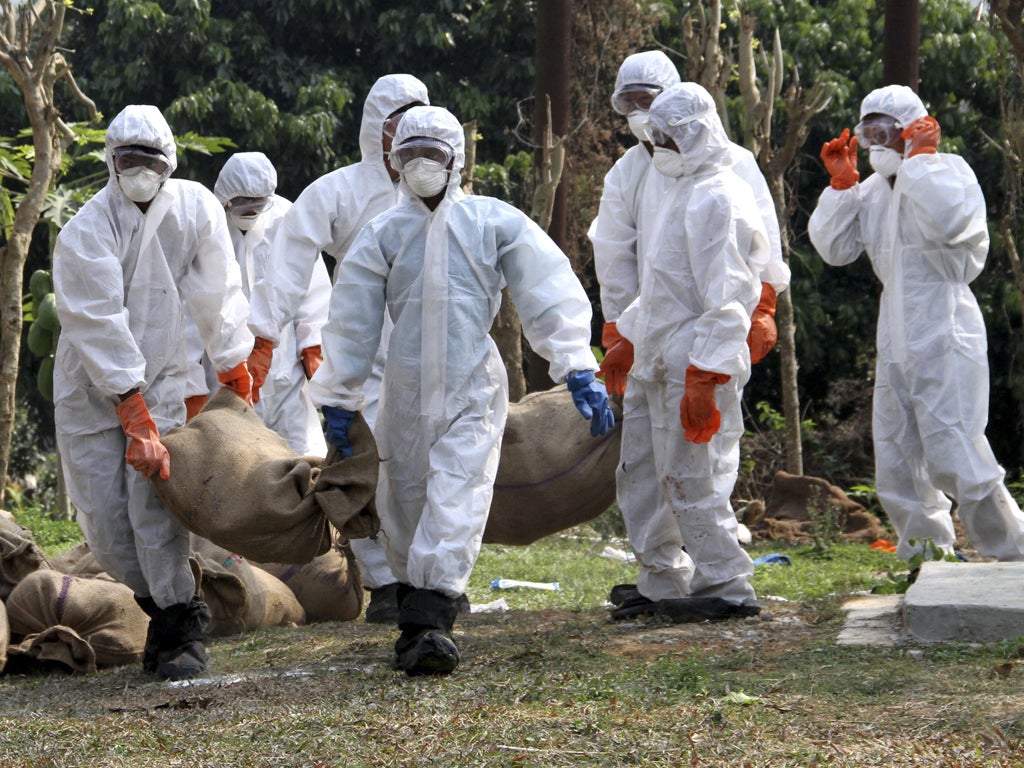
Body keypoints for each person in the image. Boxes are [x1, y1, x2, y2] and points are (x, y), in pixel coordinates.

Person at [308, 105, 614, 675]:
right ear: (393, 162)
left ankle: (431, 620)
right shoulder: (382, 234)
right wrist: (340, 399)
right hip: (401, 392)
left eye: (432, 154)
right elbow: (350, 322)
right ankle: (415, 611)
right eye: (409, 155)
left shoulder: (493, 222)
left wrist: (575, 361)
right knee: (406, 501)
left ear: (456, 161)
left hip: (473, 385)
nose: (420, 165)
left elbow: (547, 287)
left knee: (458, 492)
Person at [52, 104, 255, 680]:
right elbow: (97, 320)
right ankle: (162, 611)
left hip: (163, 377)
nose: (140, 170)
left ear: (170, 161)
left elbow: (217, 287)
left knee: (156, 513)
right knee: (109, 527)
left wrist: (232, 359)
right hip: (92, 387)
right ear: (112, 162)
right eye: (128, 160)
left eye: (151, 159)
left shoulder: (194, 209)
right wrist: (128, 405)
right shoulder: (86, 229)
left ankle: (178, 624)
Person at [590, 51, 789, 612]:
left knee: (695, 473)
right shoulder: (663, 179)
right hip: (659, 351)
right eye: (628, 104)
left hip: (698, 354)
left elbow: (731, 286)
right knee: (643, 473)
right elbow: (650, 277)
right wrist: (624, 334)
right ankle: (663, 580)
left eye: (655, 116)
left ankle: (724, 584)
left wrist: (715, 362)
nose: (649, 131)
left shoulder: (719, 190)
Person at [809, 84, 1024, 564]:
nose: (876, 144)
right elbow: (835, 250)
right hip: (895, 332)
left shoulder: (948, 171)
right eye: (868, 134)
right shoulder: (869, 192)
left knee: (957, 450)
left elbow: (951, 224)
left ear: (913, 130)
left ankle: (1015, 555)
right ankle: (927, 559)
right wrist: (842, 186)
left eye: (886, 131)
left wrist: (922, 160)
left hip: (945, 326)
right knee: (898, 457)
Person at [247, 74, 429, 622]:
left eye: (414, 121)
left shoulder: (446, 193)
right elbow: (289, 261)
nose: (403, 135)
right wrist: (263, 335)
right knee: (359, 467)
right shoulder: (339, 191)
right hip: (359, 353)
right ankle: (383, 581)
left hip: (432, 350)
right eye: (393, 122)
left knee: (429, 465)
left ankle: (432, 577)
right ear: (374, 126)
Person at [203, 151, 331, 456]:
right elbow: (197, 303)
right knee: (237, 467)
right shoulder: (209, 228)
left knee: (301, 459)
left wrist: (314, 349)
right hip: (226, 375)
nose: (250, 211)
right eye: (242, 204)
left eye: (256, 204)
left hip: (284, 370)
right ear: (224, 200)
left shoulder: (287, 219)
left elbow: (312, 293)